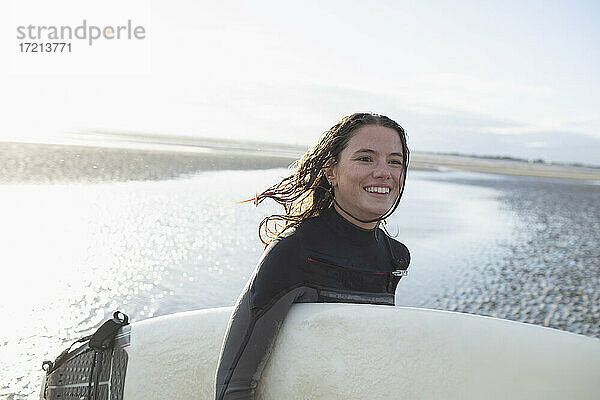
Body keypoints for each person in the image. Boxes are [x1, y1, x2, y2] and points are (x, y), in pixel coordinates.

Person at [214, 113, 411, 400]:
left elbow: (367, 363)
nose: (384, 172)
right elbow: (234, 387)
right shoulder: (294, 252)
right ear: (331, 171)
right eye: (365, 158)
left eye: (394, 161)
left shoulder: (395, 258)